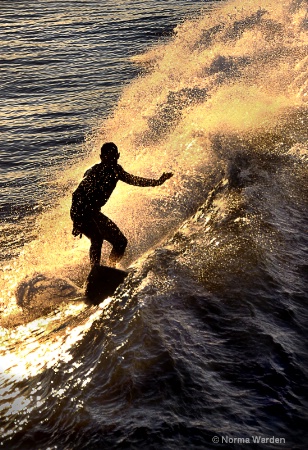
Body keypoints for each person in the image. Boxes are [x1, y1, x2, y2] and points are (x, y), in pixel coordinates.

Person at [70, 142, 173, 267]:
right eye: (108, 157)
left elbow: (135, 180)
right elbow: (76, 195)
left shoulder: (116, 171)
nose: (111, 160)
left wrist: (157, 182)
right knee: (97, 238)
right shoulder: (94, 172)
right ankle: (95, 269)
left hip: (94, 213)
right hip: (81, 211)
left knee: (121, 242)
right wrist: (77, 222)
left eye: (114, 157)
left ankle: (110, 268)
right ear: (101, 157)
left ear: (118, 156)